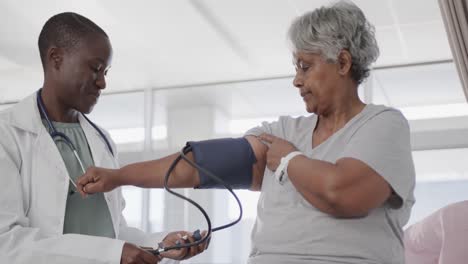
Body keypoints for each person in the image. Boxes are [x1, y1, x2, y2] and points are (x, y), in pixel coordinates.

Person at [77, 1, 416, 263]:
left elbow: (344, 194)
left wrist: (289, 160)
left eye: (306, 67)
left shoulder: (383, 124)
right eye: (296, 68)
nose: (297, 80)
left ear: (343, 64)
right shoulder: (283, 131)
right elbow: (199, 165)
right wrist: (119, 176)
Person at [0, 12, 207, 264]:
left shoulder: (102, 140)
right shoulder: (8, 133)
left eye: (106, 71)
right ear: (56, 58)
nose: (103, 83)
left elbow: (112, 230)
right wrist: (112, 254)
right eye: (96, 69)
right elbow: (7, 243)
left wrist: (160, 245)